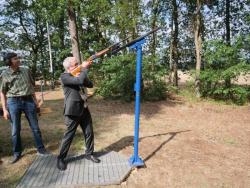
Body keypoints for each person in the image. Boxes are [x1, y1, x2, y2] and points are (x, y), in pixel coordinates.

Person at [0, 52, 49, 164]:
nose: (18, 59)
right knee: (15, 130)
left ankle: (41, 149)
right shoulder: (4, 75)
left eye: (18, 58)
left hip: (28, 101)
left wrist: (36, 103)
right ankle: (17, 153)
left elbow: (31, 87)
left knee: (35, 127)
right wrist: (5, 109)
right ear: (9, 62)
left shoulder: (26, 70)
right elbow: (2, 92)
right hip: (13, 102)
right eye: (15, 58)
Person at [57, 57, 100, 171]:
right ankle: (60, 158)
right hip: (73, 110)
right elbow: (79, 81)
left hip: (84, 108)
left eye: (78, 64)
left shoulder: (78, 74)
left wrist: (82, 72)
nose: (78, 65)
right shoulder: (64, 76)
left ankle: (89, 153)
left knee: (89, 132)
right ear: (69, 67)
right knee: (69, 136)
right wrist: (84, 69)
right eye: (76, 64)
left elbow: (89, 84)